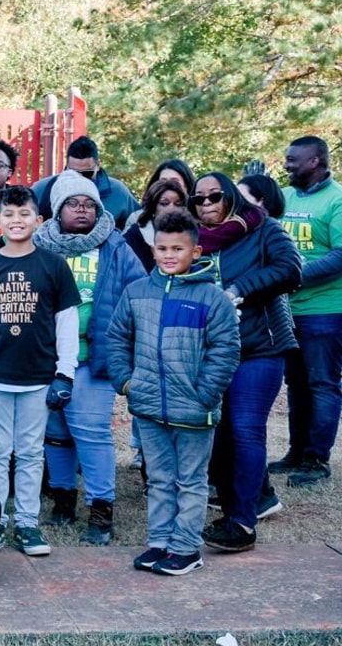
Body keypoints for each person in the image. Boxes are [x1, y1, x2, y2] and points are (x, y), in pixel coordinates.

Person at [107, 211, 241, 576]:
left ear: (195, 251)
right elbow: (117, 337)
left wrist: (205, 392)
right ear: (152, 250)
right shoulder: (137, 293)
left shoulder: (212, 298)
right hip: (149, 408)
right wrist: (127, 382)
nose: (169, 255)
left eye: (177, 248)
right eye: (162, 248)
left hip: (194, 411)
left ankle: (186, 548)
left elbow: (225, 349)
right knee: (160, 480)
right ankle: (160, 543)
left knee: (191, 481)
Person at [0, 185, 79, 557]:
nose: (16, 221)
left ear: (38, 220)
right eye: (9, 215)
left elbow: (67, 322)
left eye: (24, 214)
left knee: (29, 452)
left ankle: (27, 522)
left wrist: (65, 373)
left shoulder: (53, 265)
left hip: (37, 378)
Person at [186, 172, 301, 552]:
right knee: (217, 432)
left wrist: (238, 290)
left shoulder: (263, 228)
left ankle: (243, 523)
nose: (205, 205)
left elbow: (290, 270)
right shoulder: (195, 241)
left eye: (214, 196)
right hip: (213, 351)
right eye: (197, 199)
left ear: (231, 196)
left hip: (259, 347)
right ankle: (233, 510)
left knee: (246, 430)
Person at [32, 170, 146, 544]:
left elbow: (138, 295)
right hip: (47, 358)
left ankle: (101, 508)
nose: (82, 210)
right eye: (73, 204)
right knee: (56, 432)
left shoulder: (115, 247)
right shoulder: (40, 246)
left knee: (91, 431)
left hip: (95, 356)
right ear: (57, 210)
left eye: (89, 205)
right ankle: (64, 499)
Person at [274, 135, 342, 487]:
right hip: (287, 311)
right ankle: (296, 452)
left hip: (326, 311)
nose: (287, 164)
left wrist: (294, 276)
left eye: (292, 159)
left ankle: (317, 459)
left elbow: (340, 255)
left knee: (322, 383)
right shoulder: (283, 199)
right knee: (296, 383)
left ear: (315, 161)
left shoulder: (337, 200)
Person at [34, 138, 140, 230]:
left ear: (98, 165)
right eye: (74, 173)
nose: (80, 178)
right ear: (66, 166)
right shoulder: (43, 189)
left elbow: (139, 224)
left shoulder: (118, 192)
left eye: (87, 174)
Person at [124, 181, 190, 272]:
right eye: (164, 203)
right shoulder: (134, 236)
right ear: (153, 207)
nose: (172, 208)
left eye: (178, 204)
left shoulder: (191, 234)